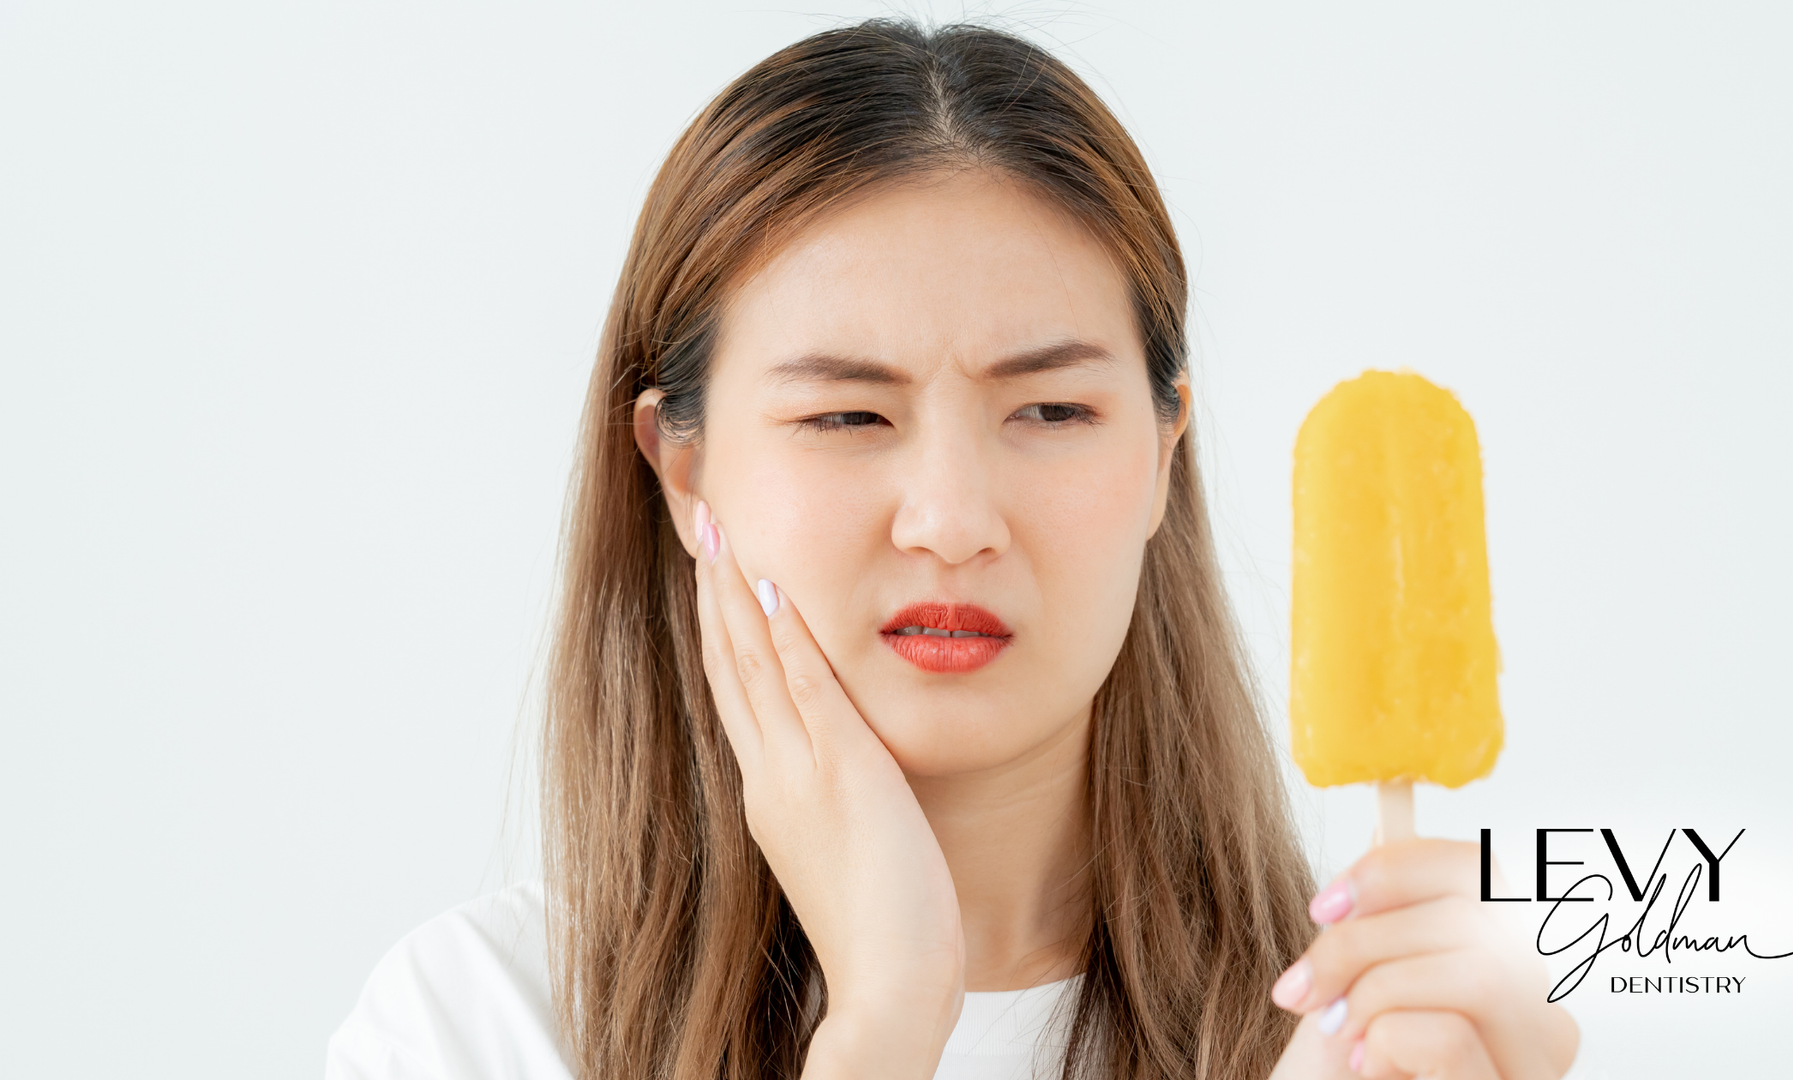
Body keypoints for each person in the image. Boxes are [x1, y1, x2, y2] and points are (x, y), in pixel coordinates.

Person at [328, 19, 1583, 1080]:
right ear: (683, 467)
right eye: (847, 416)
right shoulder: (479, 1023)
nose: (951, 518)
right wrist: (883, 1015)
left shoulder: (1373, 1031)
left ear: (1164, 452)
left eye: (1050, 411)